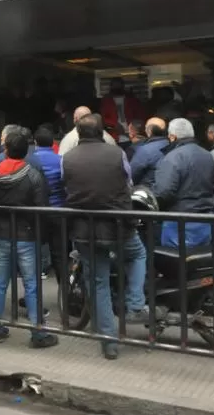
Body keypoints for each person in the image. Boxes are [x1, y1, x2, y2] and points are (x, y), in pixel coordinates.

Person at [63, 113, 148, 360]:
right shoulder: (117, 154)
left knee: (97, 280)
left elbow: (65, 184)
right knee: (137, 254)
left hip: (83, 229)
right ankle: (134, 303)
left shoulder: (67, 158)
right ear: (103, 133)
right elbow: (128, 182)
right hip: (117, 225)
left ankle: (108, 341)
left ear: (78, 134)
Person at [0, 129, 58, 349]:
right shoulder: (33, 174)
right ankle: (37, 332)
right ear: (26, 151)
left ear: (5, 150)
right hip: (27, 235)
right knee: (32, 284)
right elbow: (41, 206)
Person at [153, 118, 214, 249]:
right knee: (202, 263)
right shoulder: (207, 155)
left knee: (177, 265)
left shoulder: (172, 157)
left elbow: (163, 192)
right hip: (205, 219)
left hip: (179, 221)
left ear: (172, 137)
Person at [33, 127, 65, 280]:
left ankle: (33, 299)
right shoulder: (61, 160)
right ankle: (65, 295)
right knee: (59, 253)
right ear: (53, 143)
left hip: (36, 212)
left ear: (35, 142)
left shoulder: (32, 160)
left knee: (33, 253)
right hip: (59, 210)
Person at [99, 77, 146, 147]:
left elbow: (140, 115)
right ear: (111, 86)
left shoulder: (132, 99)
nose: (117, 87)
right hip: (114, 136)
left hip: (132, 135)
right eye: (115, 85)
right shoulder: (106, 100)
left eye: (119, 85)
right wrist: (114, 125)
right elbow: (103, 117)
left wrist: (134, 127)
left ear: (123, 85)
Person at [129, 117, 168, 188]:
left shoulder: (145, 150)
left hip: (148, 190)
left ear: (149, 130)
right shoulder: (171, 144)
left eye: (146, 127)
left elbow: (131, 174)